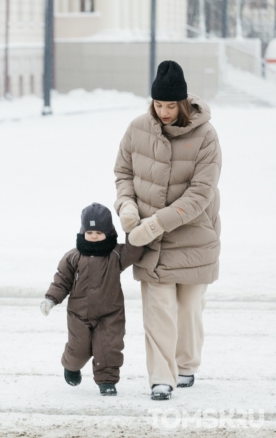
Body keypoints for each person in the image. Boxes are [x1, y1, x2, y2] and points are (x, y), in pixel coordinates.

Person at [114, 60, 222, 401]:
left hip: (193, 237)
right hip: (150, 242)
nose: (163, 111)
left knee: (188, 309)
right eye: (158, 104)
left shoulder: (206, 136)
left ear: (183, 103)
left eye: (170, 105)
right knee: (158, 310)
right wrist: (127, 206)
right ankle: (161, 378)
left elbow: (201, 193)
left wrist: (157, 223)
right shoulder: (136, 128)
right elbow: (123, 174)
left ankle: (186, 364)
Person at [41, 203, 143, 397]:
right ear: (82, 231)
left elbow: (135, 250)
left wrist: (131, 227)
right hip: (79, 314)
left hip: (110, 314)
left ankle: (107, 381)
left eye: (98, 232)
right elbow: (62, 280)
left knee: (109, 348)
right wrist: (51, 299)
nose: (94, 236)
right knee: (79, 350)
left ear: (108, 232)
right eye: (90, 232)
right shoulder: (73, 256)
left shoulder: (116, 254)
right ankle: (71, 366)